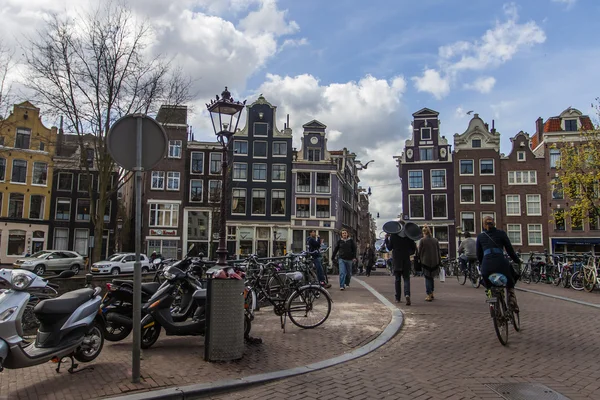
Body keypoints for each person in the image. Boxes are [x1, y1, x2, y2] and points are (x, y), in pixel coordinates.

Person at [476, 216, 522, 313]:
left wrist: (482, 265)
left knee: (488, 285)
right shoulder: (501, 234)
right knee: (510, 281)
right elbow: (510, 250)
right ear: (494, 223)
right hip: (501, 263)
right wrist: (517, 260)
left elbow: (479, 255)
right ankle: (512, 300)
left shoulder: (480, 237)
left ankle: (492, 302)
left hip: (486, 266)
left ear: (483, 225)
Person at [384, 228, 416, 305]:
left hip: (397, 260)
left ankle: (398, 298)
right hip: (406, 259)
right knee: (406, 278)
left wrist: (386, 239)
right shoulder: (408, 236)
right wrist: (408, 253)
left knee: (397, 279)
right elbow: (413, 249)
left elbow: (389, 247)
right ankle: (407, 294)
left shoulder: (393, 236)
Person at [418, 225, 441, 302]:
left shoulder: (422, 240)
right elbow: (438, 251)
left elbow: (419, 251)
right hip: (435, 261)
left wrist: (419, 259)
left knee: (427, 277)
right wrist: (439, 261)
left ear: (423, 232)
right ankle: (432, 293)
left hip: (426, 262)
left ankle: (429, 294)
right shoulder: (435, 240)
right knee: (432, 277)